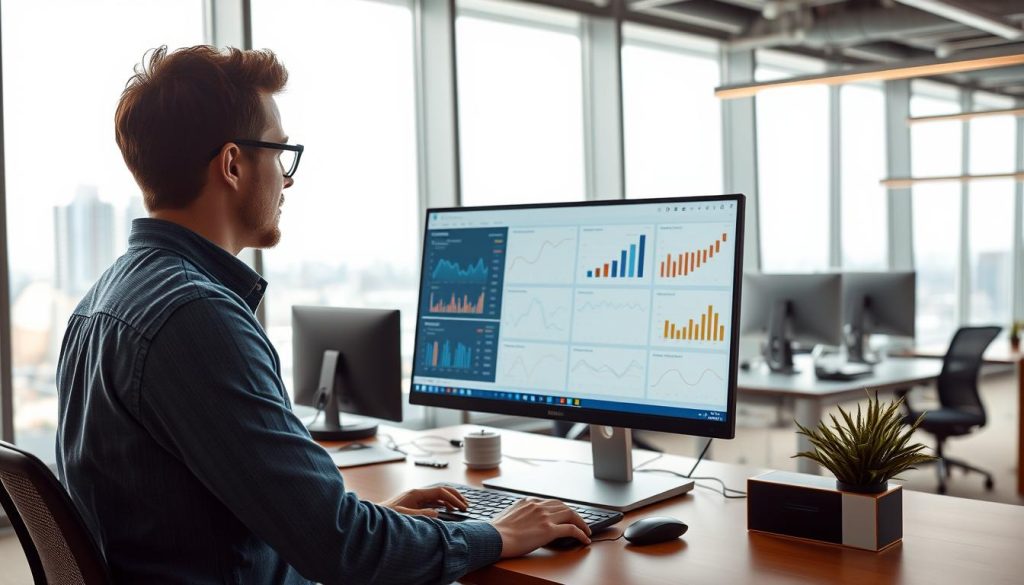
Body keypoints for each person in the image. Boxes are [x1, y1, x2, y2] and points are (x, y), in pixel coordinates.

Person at [55, 45, 590, 585]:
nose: (287, 181)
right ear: (234, 164)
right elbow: (344, 554)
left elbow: (222, 522)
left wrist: (368, 523)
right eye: (280, 154)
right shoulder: (197, 317)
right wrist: (498, 534)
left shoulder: (102, 302)